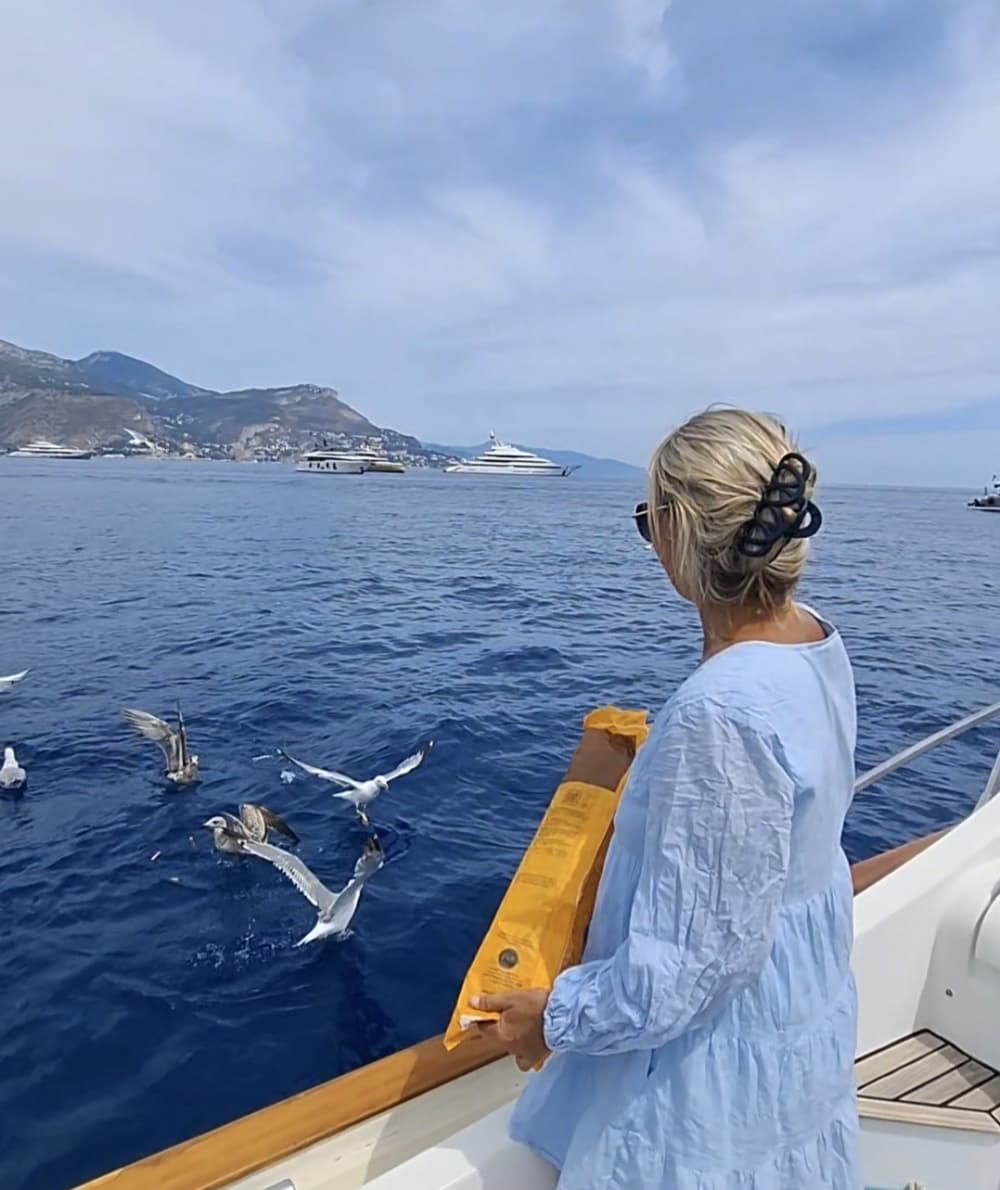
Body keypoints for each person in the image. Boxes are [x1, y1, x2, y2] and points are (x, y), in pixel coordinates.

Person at [475, 408, 860, 1189]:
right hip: (794, 1017)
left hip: (714, 1071)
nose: (649, 540)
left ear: (682, 534)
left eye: (649, 520)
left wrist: (551, 1017)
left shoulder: (719, 712)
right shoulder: (816, 638)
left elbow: (683, 972)